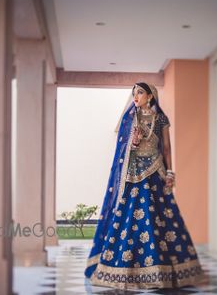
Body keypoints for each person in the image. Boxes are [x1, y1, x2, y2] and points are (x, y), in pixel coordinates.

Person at [84, 82, 206, 289]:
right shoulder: (131, 119)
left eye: (140, 92)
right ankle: (126, 269)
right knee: (130, 219)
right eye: (134, 93)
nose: (136, 96)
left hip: (156, 173)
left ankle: (163, 270)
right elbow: (123, 147)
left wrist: (170, 172)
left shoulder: (160, 119)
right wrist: (133, 143)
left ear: (150, 96)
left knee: (161, 218)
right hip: (133, 176)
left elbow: (166, 148)